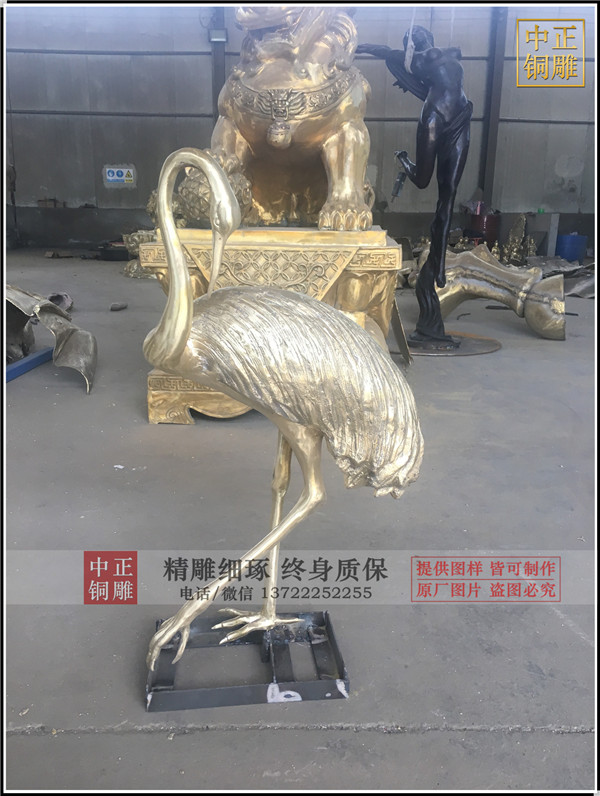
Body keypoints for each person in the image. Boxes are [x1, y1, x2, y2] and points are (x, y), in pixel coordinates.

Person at [358, 26, 473, 347]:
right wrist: (360, 47)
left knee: (448, 194)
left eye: (419, 32)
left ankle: (439, 265)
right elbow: (384, 51)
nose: (418, 33)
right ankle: (405, 161)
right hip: (434, 116)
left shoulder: (442, 53)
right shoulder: (419, 58)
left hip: (460, 118)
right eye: (413, 35)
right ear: (412, 44)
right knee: (422, 180)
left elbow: (393, 54)